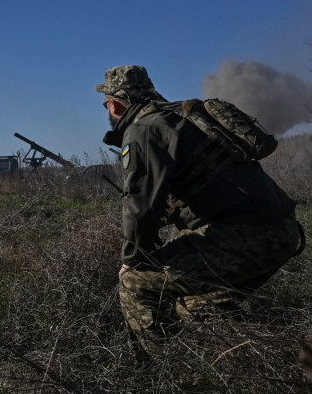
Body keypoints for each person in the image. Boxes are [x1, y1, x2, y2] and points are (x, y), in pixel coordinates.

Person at [96, 65, 302, 355]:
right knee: (195, 308)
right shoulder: (183, 117)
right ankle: (249, 363)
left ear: (114, 104)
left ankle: (165, 376)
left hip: (245, 236)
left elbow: (140, 205)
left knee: (134, 285)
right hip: (283, 230)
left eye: (106, 105)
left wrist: (131, 259)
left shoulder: (143, 129)